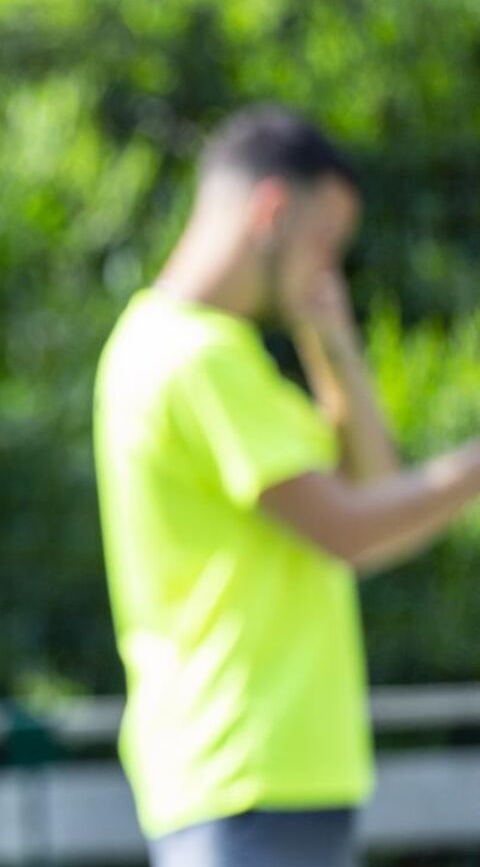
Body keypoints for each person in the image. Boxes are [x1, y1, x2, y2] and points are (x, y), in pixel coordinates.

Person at [94, 105, 480, 867]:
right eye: (325, 243)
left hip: (265, 778)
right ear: (271, 210)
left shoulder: (212, 356)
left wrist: (330, 338)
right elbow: (352, 531)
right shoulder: (195, 359)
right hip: (246, 773)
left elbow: (374, 485)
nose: (328, 269)